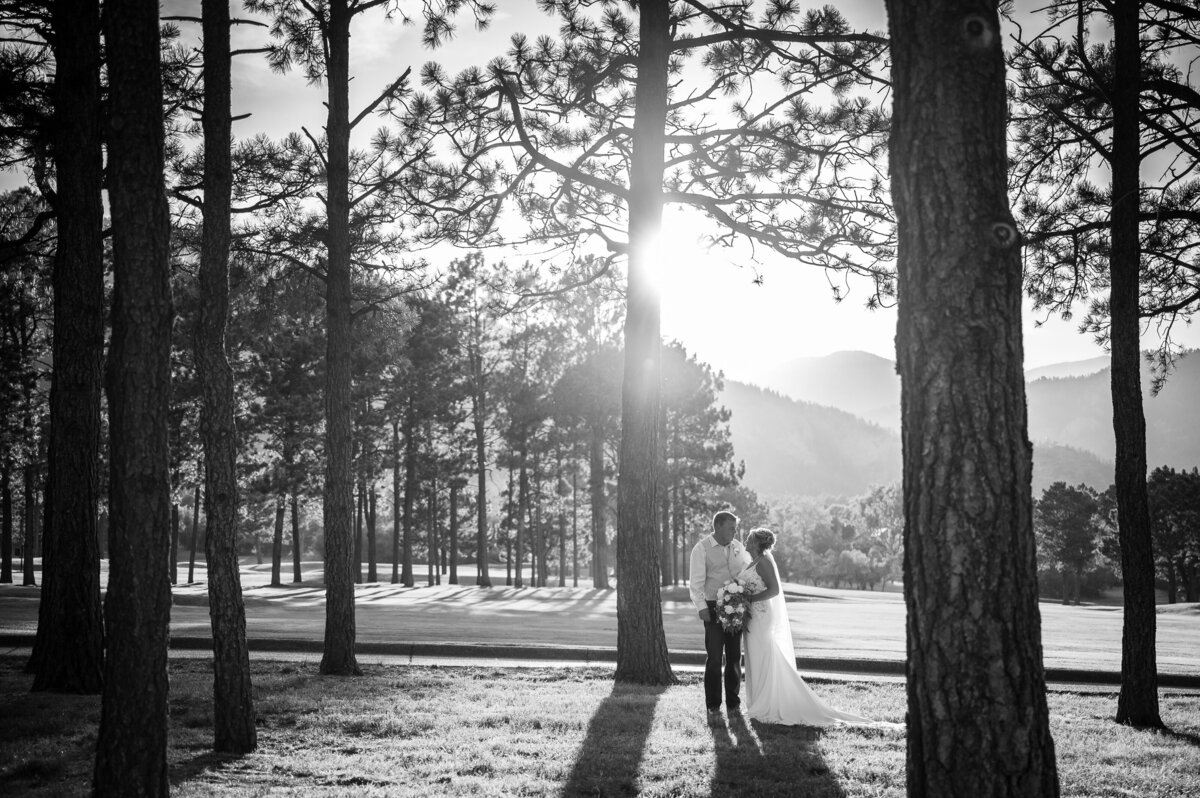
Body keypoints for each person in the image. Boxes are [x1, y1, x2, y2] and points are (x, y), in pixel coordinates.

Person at [739, 527, 901, 728]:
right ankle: (757, 701)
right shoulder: (752, 562)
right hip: (751, 615)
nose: (745, 540)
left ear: (757, 543)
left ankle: (767, 702)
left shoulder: (763, 562)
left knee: (763, 654)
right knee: (755, 656)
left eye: (749, 538)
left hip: (761, 615)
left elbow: (774, 590)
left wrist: (749, 599)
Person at [689, 510, 751, 718]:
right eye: (731, 528)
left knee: (734, 657)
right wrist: (701, 608)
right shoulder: (701, 549)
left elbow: (746, 571)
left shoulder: (738, 547)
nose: (734, 532)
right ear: (717, 527)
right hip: (713, 608)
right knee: (715, 658)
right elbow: (696, 583)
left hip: (736, 607)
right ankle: (713, 705)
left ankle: (733, 704)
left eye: (735, 528)